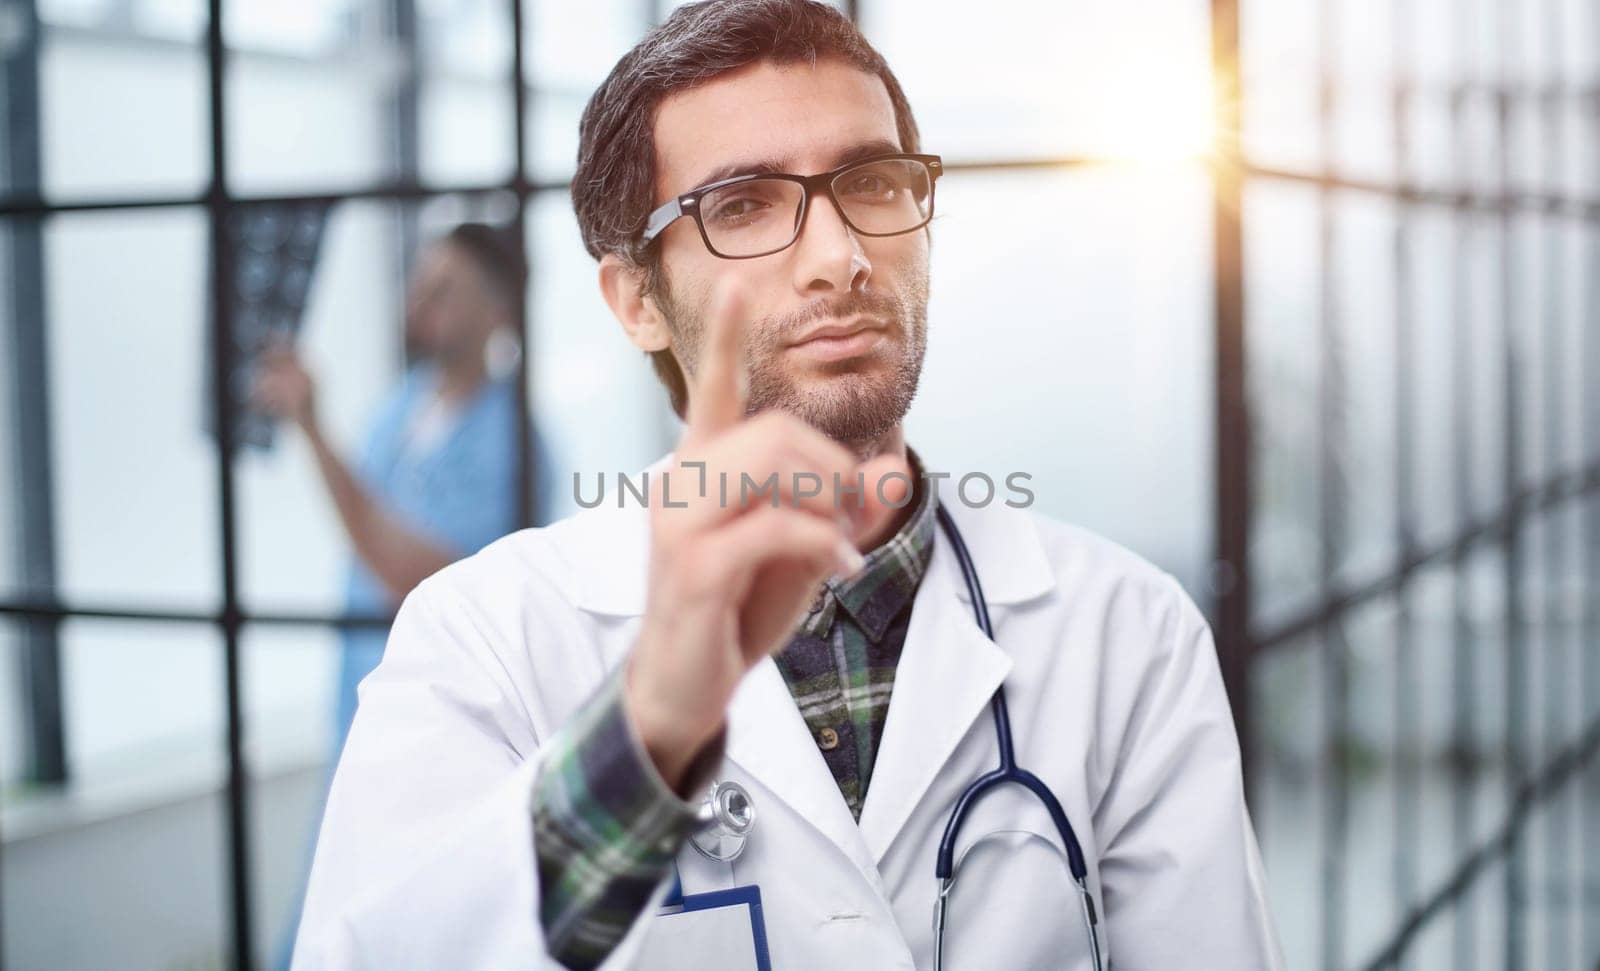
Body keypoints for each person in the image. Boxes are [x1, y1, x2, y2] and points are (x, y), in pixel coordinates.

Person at [293, 4, 1285, 969]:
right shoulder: (481, 638)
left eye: (874, 183)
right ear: (637, 300)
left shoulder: (1128, 633)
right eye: (742, 206)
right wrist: (649, 730)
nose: (840, 257)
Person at [253, 222, 552, 754]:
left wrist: (315, 430)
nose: (419, 298)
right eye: (420, 280)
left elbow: (414, 578)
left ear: (498, 314)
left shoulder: (514, 444)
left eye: (445, 289)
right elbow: (364, 531)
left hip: (445, 731)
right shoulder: (397, 410)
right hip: (359, 707)